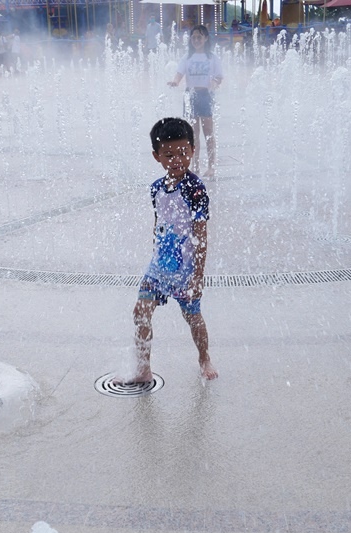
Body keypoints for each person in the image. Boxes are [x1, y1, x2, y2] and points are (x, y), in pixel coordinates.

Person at [119, 117, 218, 383]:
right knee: (140, 312)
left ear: (192, 150)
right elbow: (158, 222)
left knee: (193, 317)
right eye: (169, 154)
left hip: (186, 271)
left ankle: (204, 357)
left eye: (183, 152)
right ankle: (143, 369)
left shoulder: (195, 189)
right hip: (159, 268)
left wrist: (198, 275)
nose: (177, 159)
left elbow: (200, 234)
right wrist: (155, 253)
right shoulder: (156, 188)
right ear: (157, 156)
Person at [168, 25, 223, 178]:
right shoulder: (187, 57)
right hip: (190, 96)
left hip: (205, 95)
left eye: (199, 37)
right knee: (193, 134)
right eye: (193, 38)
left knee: (208, 133)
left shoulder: (212, 57)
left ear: (205, 38)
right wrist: (175, 82)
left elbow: (219, 76)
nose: (196, 40)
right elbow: (180, 73)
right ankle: (195, 165)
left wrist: (215, 83)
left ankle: (211, 166)